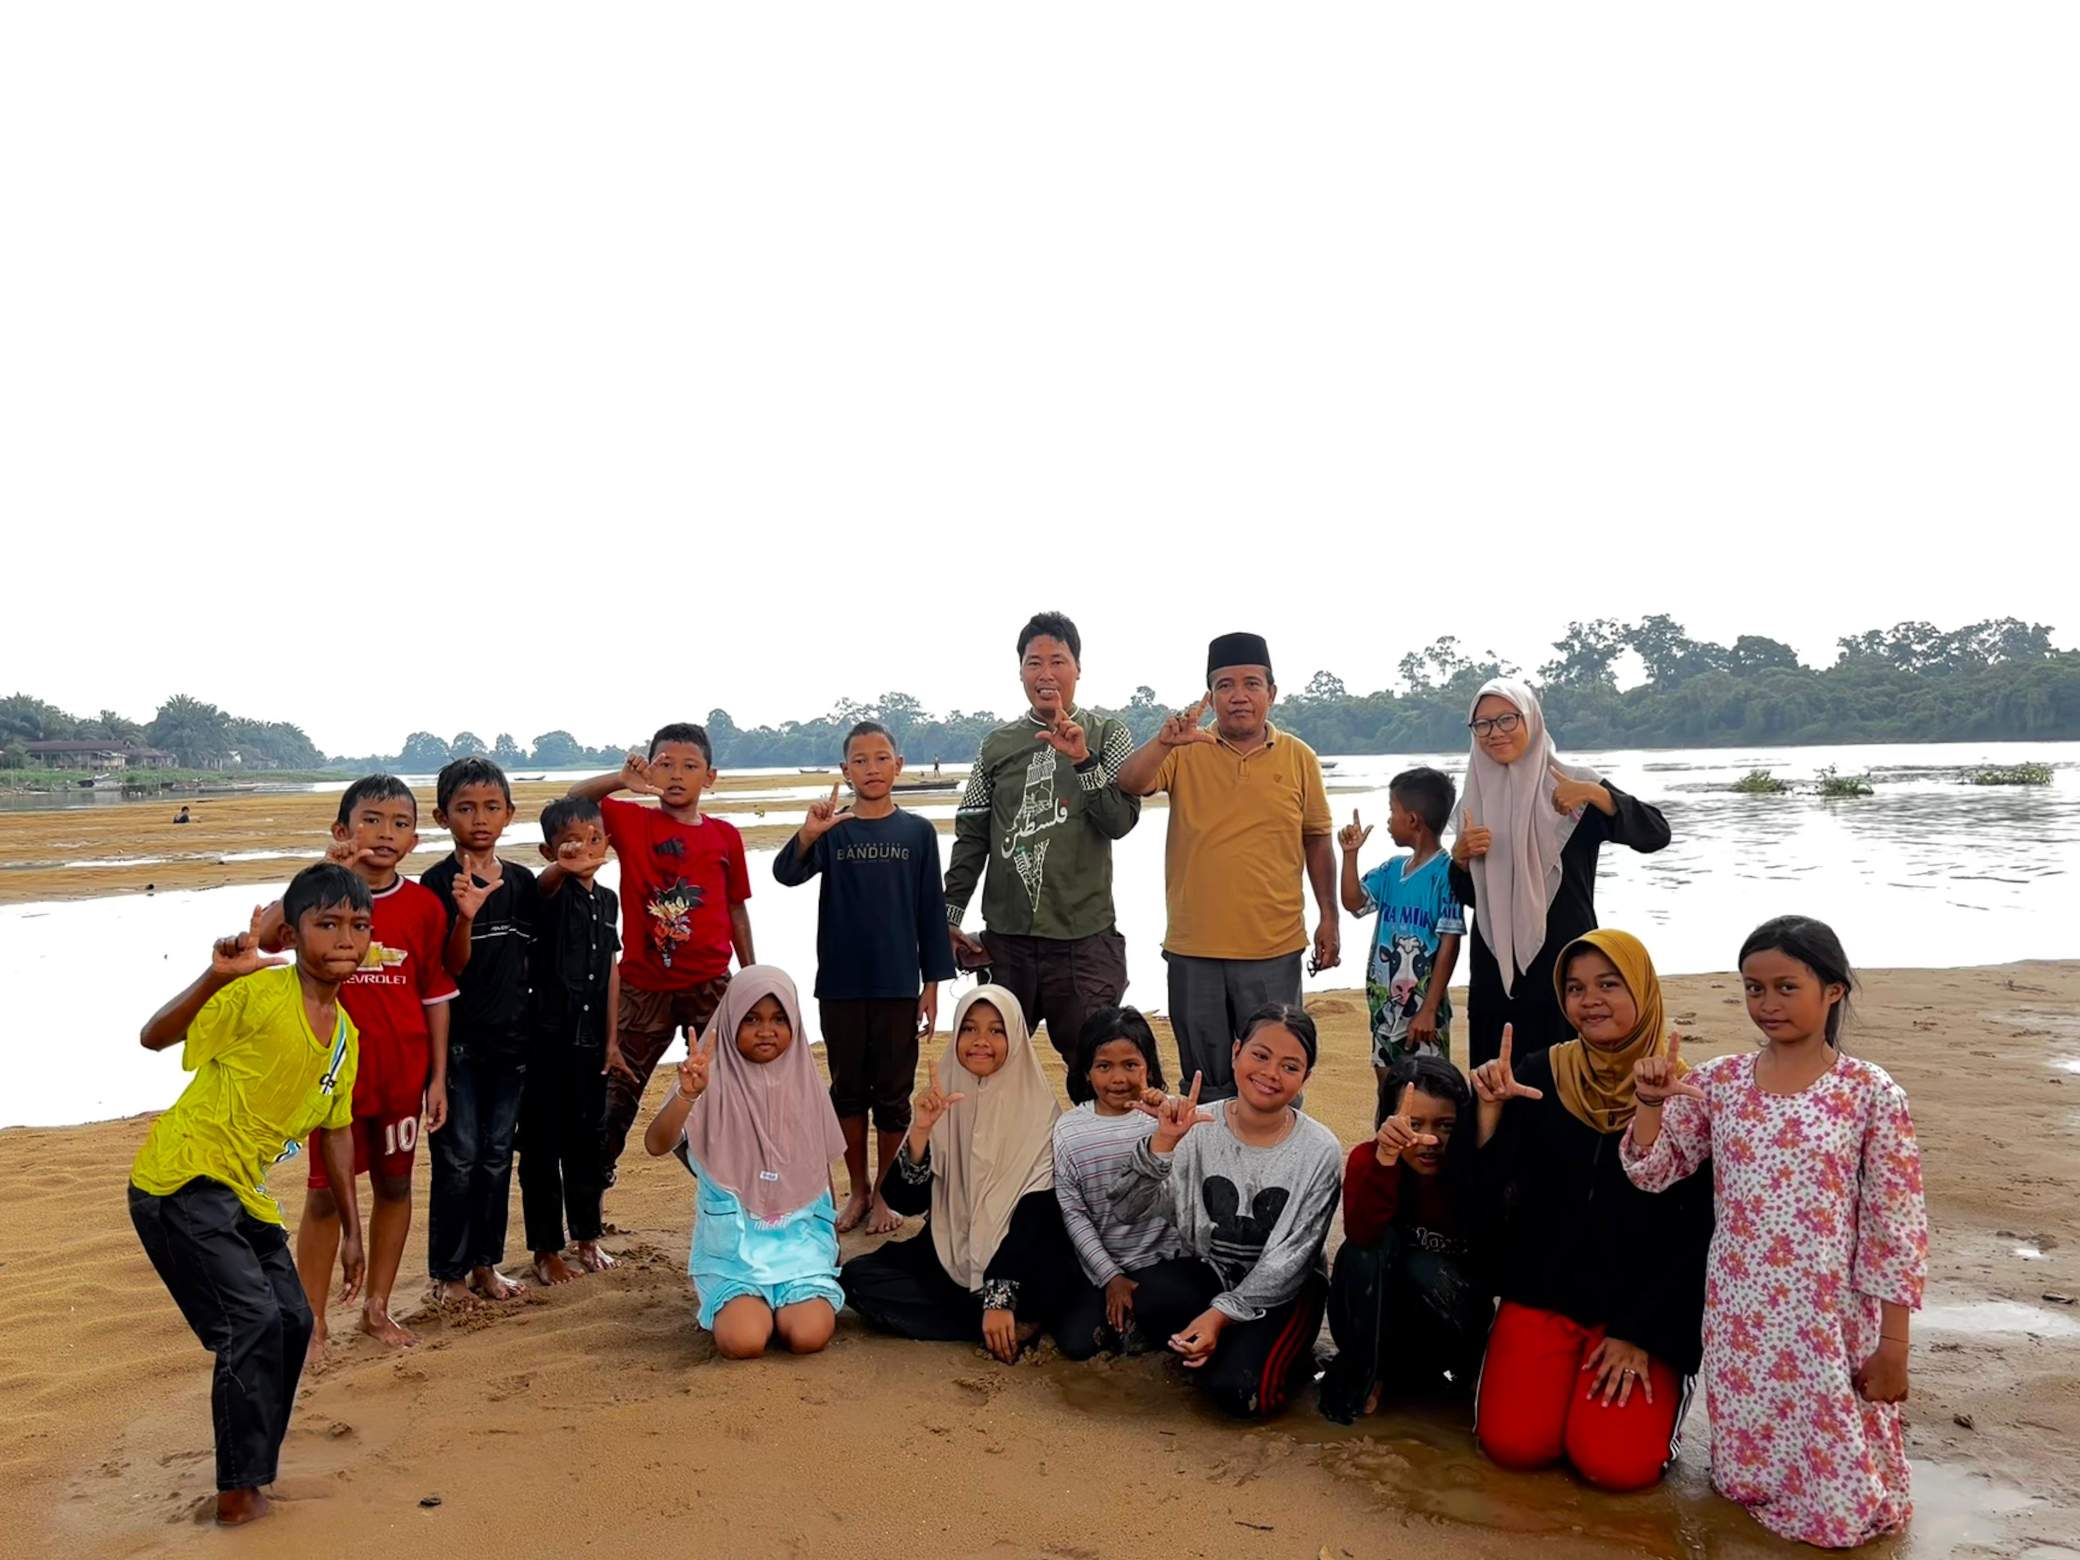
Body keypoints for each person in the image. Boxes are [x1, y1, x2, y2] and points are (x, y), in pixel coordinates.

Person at [1624, 916, 1927, 1548]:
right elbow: (1653, 1171)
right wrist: (1651, 1103)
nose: (1767, 1005)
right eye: (1754, 989)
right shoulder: (1720, 1081)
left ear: (1833, 991)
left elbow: (1894, 1224)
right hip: (1740, 1306)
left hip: (1828, 1310)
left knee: (1838, 1460)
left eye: (1787, 987)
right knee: (1748, 1463)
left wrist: (1893, 1345)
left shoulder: (1869, 1092)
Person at [129, 866, 371, 1526]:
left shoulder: (345, 1039)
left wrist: (354, 1233)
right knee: (251, 1324)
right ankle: (237, 1494)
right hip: (180, 1181)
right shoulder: (261, 994)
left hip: (243, 1194)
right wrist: (216, 976)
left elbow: (339, 1134)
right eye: (328, 925)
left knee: (292, 1321)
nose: (346, 939)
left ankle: (253, 1475)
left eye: (358, 926)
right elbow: (154, 1036)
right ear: (292, 936)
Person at [1470, 929, 1713, 1493]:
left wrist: (1639, 1332)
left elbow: (1695, 1230)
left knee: (1616, 1466)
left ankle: (1658, 1388)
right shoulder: (1538, 1074)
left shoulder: (1684, 1092)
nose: (1590, 1000)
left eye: (1609, 984)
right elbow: (1492, 1192)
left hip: (1639, 1313)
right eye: (1575, 988)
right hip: (1545, 1293)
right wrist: (1488, 1112)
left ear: (1643, 989)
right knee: (1512, 1447)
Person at [1116, 633, 1337, 1099]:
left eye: (1252, 684)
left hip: (1273, 947)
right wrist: (1163, 742)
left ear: (1271, 694)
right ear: (1210, 694)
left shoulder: (1300, 758)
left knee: (1275, 1073)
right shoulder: (1185, 749)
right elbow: (1132, 781)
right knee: (1206, 1080)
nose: (1239, 696)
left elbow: (1316, 839)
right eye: (1226, 685)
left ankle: (1281, 1167)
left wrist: (1329, 917)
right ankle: (1206, 1168)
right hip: (1195, 947)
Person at [285, 776, 457, 1353]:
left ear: (414, 837)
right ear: (342, 829)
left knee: (395, 1185)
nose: (385, 834)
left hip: (402, 1072)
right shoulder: (319, 898)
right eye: (372, 819)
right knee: (324, 1195)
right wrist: (323, 867)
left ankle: (377, 1309)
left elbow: (434, 993)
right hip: (333, 1078)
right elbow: (265, 937)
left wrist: (437, 1078)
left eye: (400, 823)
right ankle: (313, 1320)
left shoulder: (423, 906)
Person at [1109, 1005, 1342, 1419]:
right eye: (1260, 1055)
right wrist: (1162, 1144)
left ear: (1305, 1078)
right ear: (1236, 1052)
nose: (1270, 1073)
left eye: (1290, 1066)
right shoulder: (1198, 1125)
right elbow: (1126, 1208)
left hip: (1286, 1293)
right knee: (1155, 1297)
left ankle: (1271, 1354)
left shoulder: (1319, 1150)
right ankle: (1229, 1346)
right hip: (1215, 1274)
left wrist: (1219, 1317)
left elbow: (1291, 1262)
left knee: (1240, 1396)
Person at [773, 720, 955, 1235]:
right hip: (841, 985)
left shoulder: (917, 832)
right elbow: (786, 874)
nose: (871, 768)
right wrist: (808, 833)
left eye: (881, 758)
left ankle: (885, 1195)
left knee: (894, 1096)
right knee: (848, 1092)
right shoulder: (835, 830)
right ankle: (856, 1190)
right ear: (844, 770)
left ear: (898, 765)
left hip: (899, 986)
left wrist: (932, 985)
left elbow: (928, 911)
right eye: (860, 760)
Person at [942, 612, 1140, 1067]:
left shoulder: (1109, 735)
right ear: (1020, 672)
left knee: (1095, 1068)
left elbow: (1120, 821)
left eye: (1058, 661)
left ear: (1078, 669)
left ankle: (1090, 1142)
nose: (1046, 674)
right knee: (996, 1065)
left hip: (1085, 938)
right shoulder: (996, 745)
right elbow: (972, 837)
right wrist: (948, 916)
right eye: (1034, 663)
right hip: (1008, 941)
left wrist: (1084, 761)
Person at [840, 987, 1075, 1362]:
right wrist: (920, 1133)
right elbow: (906, 1202)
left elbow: (1038, 1213)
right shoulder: (942, 1097)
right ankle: (997, 1325)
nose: (981, 1041)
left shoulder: (1040, 1110)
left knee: (1058, 1287)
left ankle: (1000, 1314)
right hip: (952, 1250)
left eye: (996, 1031)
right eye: (969, 1029)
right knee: (857, 1279)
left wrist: (1000, 1296)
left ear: (1015, 1037)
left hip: (1020, 1261)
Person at [1449, 678, 1670, 1068]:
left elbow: (1655, 834)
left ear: (1531, 719)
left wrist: (1596, 796)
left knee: (1568, 1071)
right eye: (1482, 724)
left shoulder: (1572, 781)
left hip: (1567, 958)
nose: (1494, 733)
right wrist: (1461, 859)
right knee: (1494, 1073)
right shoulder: (1473, 796)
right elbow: (1471, 896)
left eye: (1506, 720)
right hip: (1494, 962)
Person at [566, 724, 753, 1183]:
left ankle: (726, 1180)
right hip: (641, 986)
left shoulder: (725, 836)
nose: (676, 775)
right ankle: (592, 1198)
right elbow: (573, 800)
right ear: (650, 769)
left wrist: (752, 977)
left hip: (711, 985)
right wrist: (619, 780)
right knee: (615, 1093)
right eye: (665, 764)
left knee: (732, 1088)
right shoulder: (633, 822)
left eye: (689, 767)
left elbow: (735, 909)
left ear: (709, 777)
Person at [642, 968, 847, 1359]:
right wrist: (687, 1096)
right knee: (743, 1342)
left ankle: (789, 1302)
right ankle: (747, 1306)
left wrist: (832, 1238)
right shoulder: (707, 1079)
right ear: (730, 1019)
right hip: (734, 1250)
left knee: (808, 1336)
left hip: (799, 1245)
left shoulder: (807, 1083)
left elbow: (818, 1170)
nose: (766, 1030)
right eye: (751, 1019)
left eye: (778, 1019)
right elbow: (656, 1144)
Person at [1318, 1055, 1493, 1423]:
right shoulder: (1369, 1160)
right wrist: (1384, 1161)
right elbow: (1362, 1236)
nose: (1429, 1139)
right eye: (1414, 1124)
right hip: (1382, 1328)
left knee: (1421, 1267)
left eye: (1445, 1126)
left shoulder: (1473, 1168)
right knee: (1361, 1251)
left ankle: (1470, 1375)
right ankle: (1368, 1376)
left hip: (1449, 1323)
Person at [420, 756, 537, 1305]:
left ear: (510, 814)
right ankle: (447, 1275)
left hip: (512, 1044)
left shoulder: (521, 883)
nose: (480, 818)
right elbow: (449, 968)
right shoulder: (436, 884)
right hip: (459, 1046)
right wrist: (465, 914)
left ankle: (486, 1266)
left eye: (492, 807)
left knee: (496, 1158)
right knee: (458, 1159)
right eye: (465, 808)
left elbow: (532, 966)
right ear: (443, 817)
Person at [521, 796, 624, 1284]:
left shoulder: (608, 901)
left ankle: (588, 1237)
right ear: (548, 851)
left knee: (588, 1142)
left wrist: (612, 1039)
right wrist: (561, 869)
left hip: (590, 1043)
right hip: (544, 1042)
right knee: (542, 1147)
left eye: (594, 838)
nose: (584, 848)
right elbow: (543, 887)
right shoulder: (545, 892)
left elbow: (610, 969)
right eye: (570, 842)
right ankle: (546, 1249)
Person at [1050, 1007, 1185, 1360]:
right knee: (1077, 1343)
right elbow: (1074, 1213)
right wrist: (1110, 1276)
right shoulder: (1069, 1130)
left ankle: (1141, 1324)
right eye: (1104, 1066)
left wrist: (1167, 1115)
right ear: (1086, 1071)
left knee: (1171, 1304)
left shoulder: (1167, 1119)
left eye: (1131, 1065)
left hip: (1164, 1263)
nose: (1118, 1078)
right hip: (1101, 1268)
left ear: (1149, 1067)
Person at [1339, 765, 1465, 1080]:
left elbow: (1450, 944)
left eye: (1391, 811)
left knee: (1426, 1090)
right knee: (1387, 1086)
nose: (1387, 820)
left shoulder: (1446, 875)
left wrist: (1429, 1008)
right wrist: (1350, 856)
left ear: (1412, 820)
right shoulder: (1392, 869)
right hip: (1385, 1007)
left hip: (1423, 1011)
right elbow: (1353, 902)